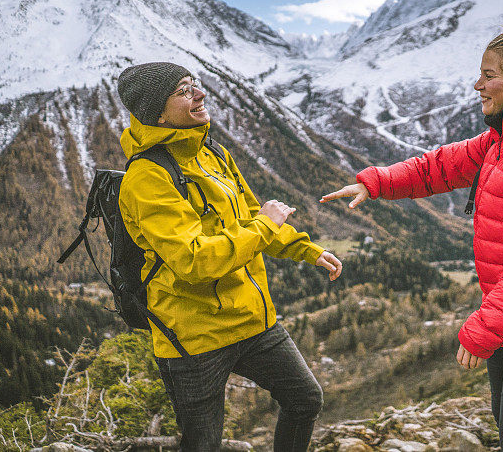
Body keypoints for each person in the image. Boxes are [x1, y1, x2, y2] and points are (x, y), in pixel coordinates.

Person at [321, 6, 503, 451]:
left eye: (489, 75)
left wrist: (485, 328)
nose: (477, 85)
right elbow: (439, 167)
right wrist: (374, 183)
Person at [116, 62, 343, 452]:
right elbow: (195, 262)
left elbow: (251, 218)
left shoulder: (210, 153)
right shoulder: (146, 178)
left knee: (305, 399)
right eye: (183, 91)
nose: (199, 95)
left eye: (194, 85)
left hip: (250, 320)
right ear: (157, 111)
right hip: (192, 335)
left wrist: (306, 249)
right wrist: (266, 225)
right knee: (202, 443)